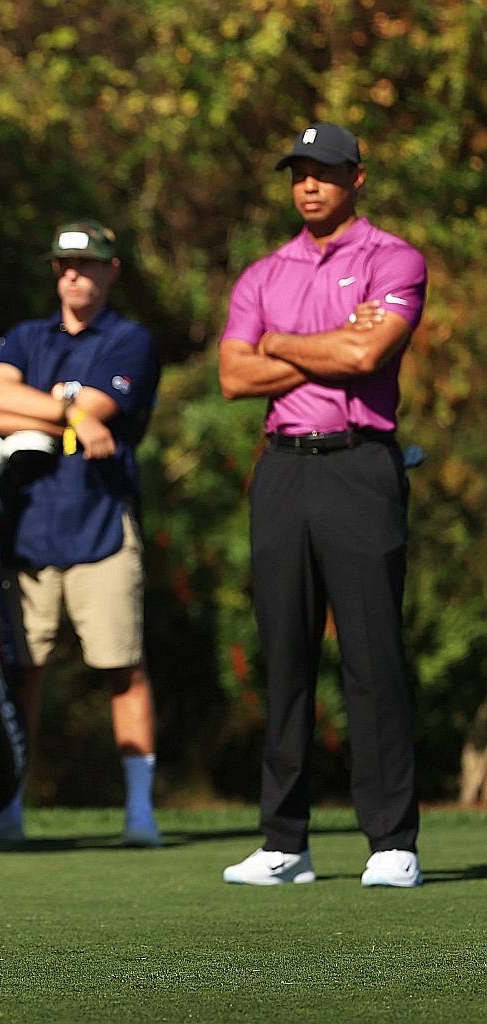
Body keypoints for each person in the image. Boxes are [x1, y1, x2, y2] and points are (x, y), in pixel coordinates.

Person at [217, 123, 427, 888]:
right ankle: (285, 842)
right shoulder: (263, 274)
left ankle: (391, 842)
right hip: (282, 469)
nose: (309, 184)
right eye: (299, 172)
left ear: (357, 179)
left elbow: (367, 355)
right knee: (286, 657)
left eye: (325, 171)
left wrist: (277, 344)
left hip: (359, 466)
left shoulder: (393, 258)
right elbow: (233, 378)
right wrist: (322, 342)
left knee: (371, 655)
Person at [0, 219, 162, 848]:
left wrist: (1, 415)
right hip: (26, 528)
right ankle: (10, 803)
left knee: (121, 665)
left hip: (100, 521)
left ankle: (140, 810)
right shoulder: (27, 336)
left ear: (111, 271)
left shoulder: (130, 340)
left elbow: (100, 409)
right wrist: (62, 411)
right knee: (21, 671)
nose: (73, 275)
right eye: (64, 265)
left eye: (87, 265)